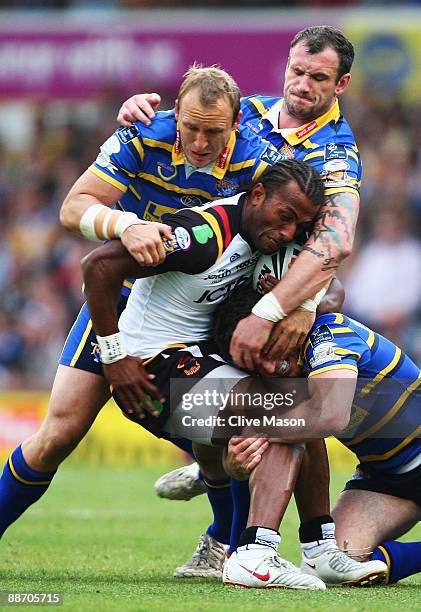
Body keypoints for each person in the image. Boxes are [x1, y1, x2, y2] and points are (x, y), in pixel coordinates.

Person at [0, 66, 285, 543]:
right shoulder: (143, 133)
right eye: (189, 127)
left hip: (200, 308)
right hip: (118, 296)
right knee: (60, 433)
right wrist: (124, 224)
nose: (197, 142)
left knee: (228, 433)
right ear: (176, 114)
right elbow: (74, 207)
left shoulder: (261, 161)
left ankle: (228, 546)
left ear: (236, 123)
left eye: (212, 132)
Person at [119, 25, 362, 574]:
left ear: (340, 84)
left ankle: (268, 535)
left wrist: (292, 306)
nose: (302, 85)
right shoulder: (245, 111)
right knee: (61, 430)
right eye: (297, 71)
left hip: (252, 288)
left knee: (292, 394)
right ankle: (220, 475)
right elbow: (183, 126)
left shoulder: (338, 154)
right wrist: (137, 113)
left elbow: (335, 242)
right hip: (186, 276)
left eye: (318, 78)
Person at [81, 160, 386, 588]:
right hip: (151, 373)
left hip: (202, 366)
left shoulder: (274, 237)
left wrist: (302, 305)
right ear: (257, 195)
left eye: (299, 224)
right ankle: (253, 555)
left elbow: (332, 288)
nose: (287, 232)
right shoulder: (204, 237)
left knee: (300, 406)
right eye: (285, 217)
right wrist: (112, 357)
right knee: (291, 412)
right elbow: (98, 267)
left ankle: (319, 549)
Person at [213, 286, 421, 587]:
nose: (270, 368)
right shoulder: (286, 374)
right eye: (257, 363)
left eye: (270, 350)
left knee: (295, 418)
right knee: (324, 566)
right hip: (386, 480)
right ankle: (367, 557)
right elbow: (276, 432)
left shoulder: (329, 334)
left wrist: (260, 430)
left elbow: (330, 416)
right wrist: (235, 464)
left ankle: (395, 560)